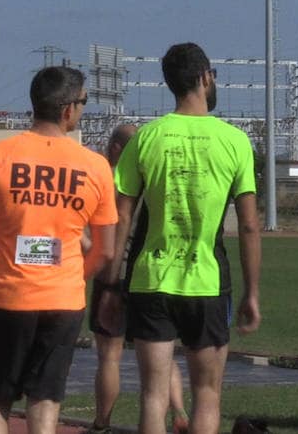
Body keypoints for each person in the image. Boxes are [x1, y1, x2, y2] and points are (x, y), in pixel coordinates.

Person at [0, 66, 117, 433]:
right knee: (45, 405)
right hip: (63, 302)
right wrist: (71, 278)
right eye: (83, 102)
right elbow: (105, 250)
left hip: (7, 298)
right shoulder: (96, 167)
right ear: (68, 109)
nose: (82, 109)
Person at [99, 43, 262, 434]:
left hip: (151, 279)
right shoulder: (235, 140)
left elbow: (122, 214)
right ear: (205, 77)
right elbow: (251, 225)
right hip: (206, 281)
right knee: (207, 394)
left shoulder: (146, 137)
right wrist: (252, 292)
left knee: (154, 395)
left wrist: (109, 283)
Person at [85, 124, 189, 434]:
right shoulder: (155, 180)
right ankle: (180, 411)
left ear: (116, 148)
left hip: (114, 272)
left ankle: (102, 423)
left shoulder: (109, 181)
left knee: (109, 355)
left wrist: (100, 266)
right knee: (161, 351)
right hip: (153, 272)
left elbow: (93, 230)